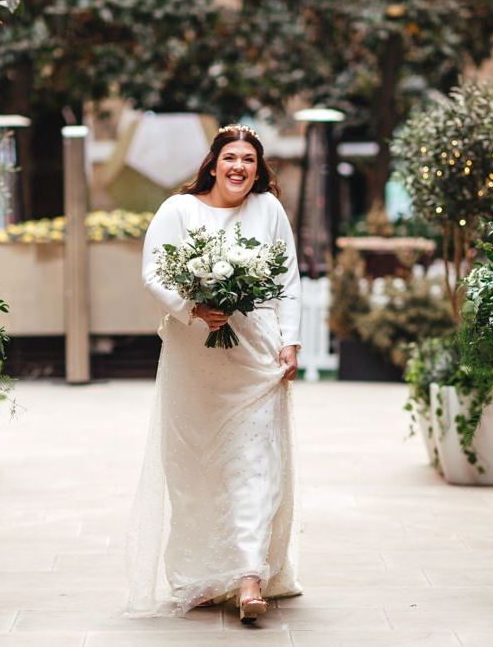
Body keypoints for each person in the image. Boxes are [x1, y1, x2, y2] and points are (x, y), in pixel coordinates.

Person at [126, 124, 302, 622]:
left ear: (258, 168)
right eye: (231, 157)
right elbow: (155, 271)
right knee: (195, 465)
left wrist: (290, 342)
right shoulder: (177, 210)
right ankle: (201, 573)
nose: (239, 167)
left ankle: (250, 578)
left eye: (249, 159)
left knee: (255, 463)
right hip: (193, 356)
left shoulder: (269, 210)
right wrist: (192, 306)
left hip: (255, 354)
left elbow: (288, 280)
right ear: (213, 163)